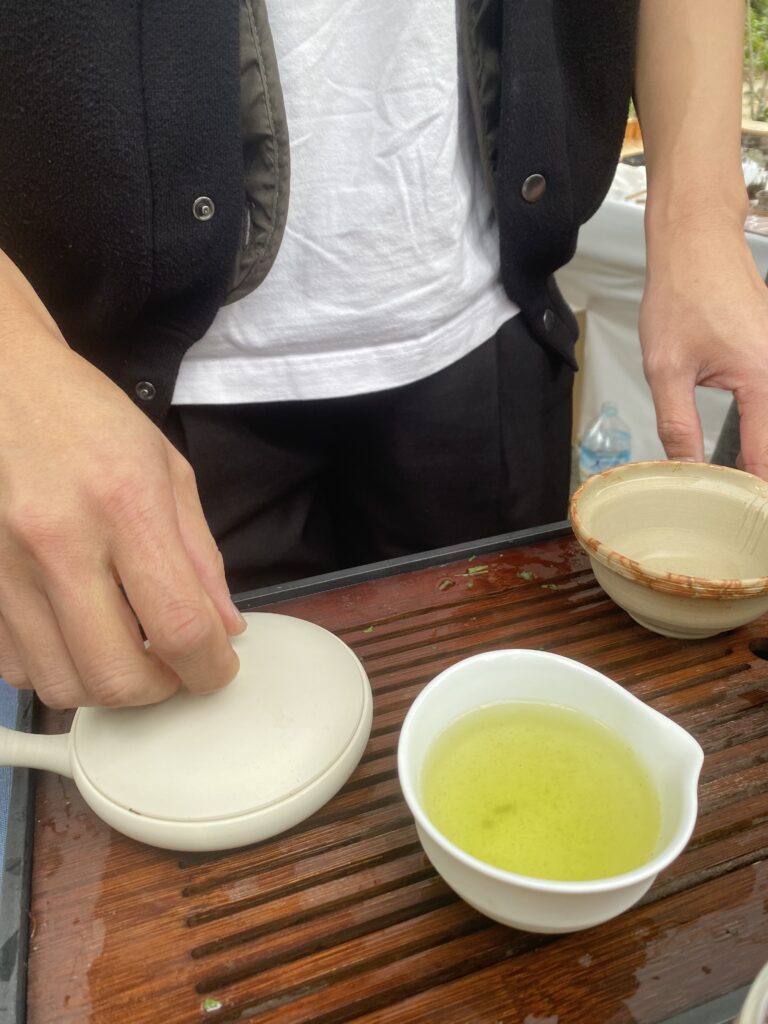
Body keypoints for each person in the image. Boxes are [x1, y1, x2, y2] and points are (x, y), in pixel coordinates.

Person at [0, 0, 765, 710]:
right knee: (188, 752)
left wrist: (699, 210)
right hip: (121, 400)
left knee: (504, 709)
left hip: (486, 336)